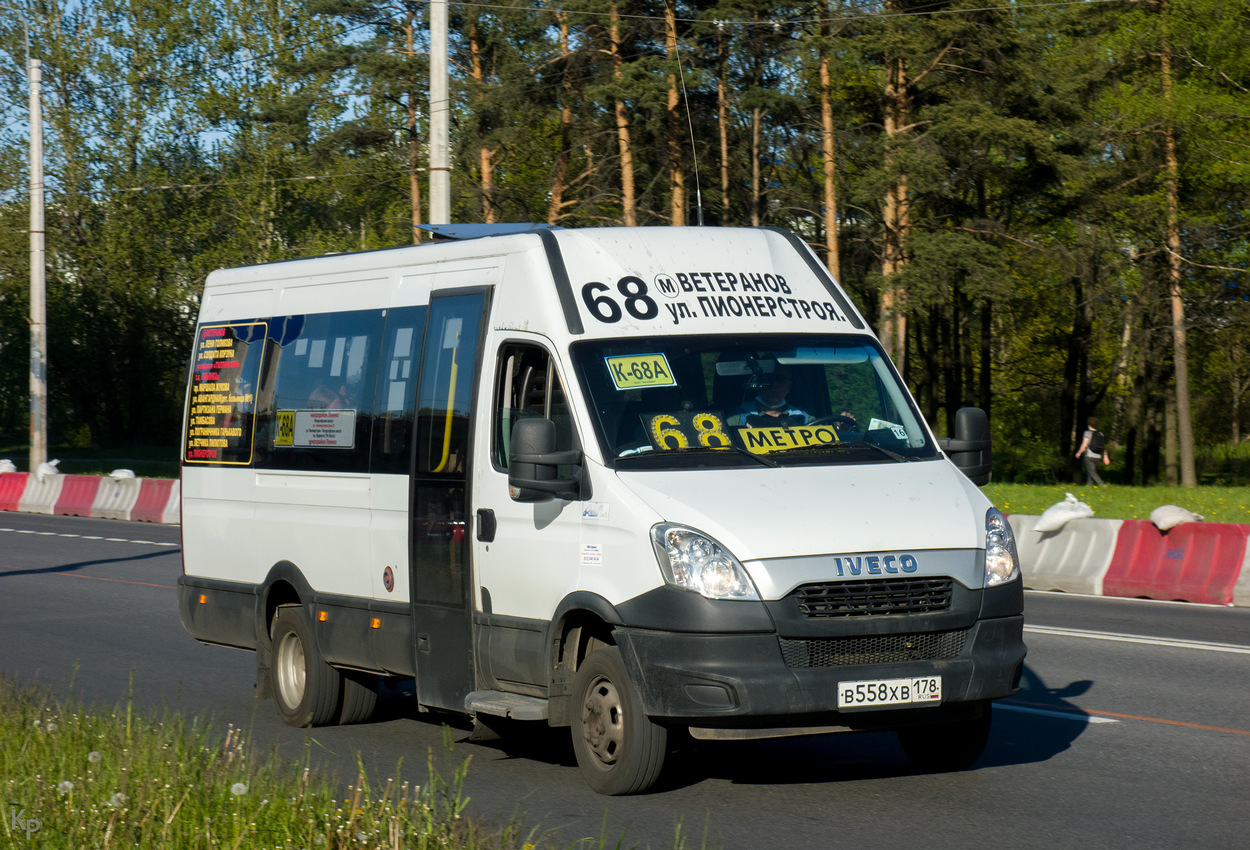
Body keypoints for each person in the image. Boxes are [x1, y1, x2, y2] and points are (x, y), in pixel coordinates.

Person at [730, 367, 810, 426]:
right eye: (768, 379)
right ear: (758, 383)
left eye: (780, 379)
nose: (774, 384)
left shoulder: (805, 418)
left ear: (789, 386)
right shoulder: (737, 418)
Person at [1075, 416, 1111, 486]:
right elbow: (1103, 447)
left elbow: (1084, 445)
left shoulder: (1087, 433)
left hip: (1089, 456)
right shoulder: (1101, 434)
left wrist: (1079, 453)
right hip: (1097, 457)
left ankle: (1102, 485)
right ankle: (1088, 486)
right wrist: (1105, 457)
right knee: (1090, 472)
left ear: (1089, 425)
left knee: (1092, 472)